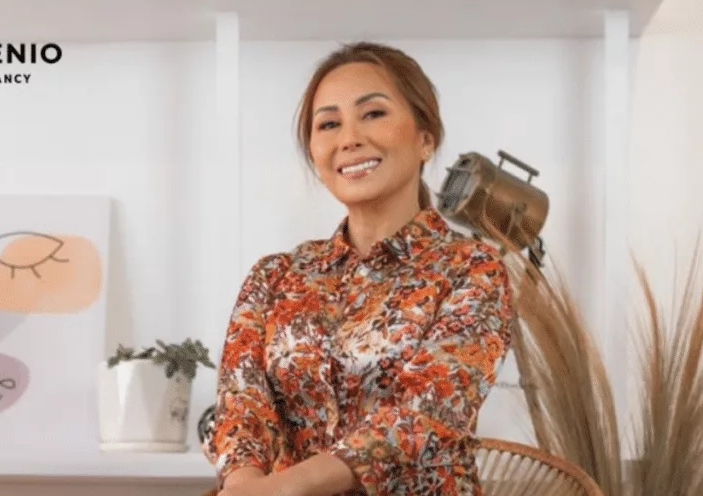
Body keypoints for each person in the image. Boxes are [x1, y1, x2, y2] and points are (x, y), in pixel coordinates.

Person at [202, 41, 515, 496]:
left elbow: (426, 410)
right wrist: (245, 487)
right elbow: (241, 405)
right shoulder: (274, 277)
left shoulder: (471, 269)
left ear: (425, 138)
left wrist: (288, 488)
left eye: (372, 114)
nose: (348, 138)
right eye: (328, 123)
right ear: (314, 152)